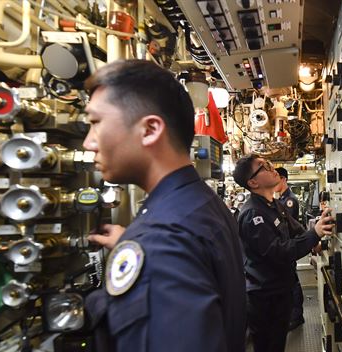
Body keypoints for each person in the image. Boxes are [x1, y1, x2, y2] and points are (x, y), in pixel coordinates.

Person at [82, 60, 246, 352]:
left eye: (95, 123)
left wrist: (145, 247)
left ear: (150, 130)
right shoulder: (202, 204)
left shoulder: (160, 240)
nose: (88, 142)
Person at [233, 155, 334, 352]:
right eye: (264, 167)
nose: (273, 169)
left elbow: (295, 228)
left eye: (269, 164)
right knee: (269, 346)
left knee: (279, 342)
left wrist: (315, 242)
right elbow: (279, 252)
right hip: (264, 297)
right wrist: (314, 234)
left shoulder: (273, 204)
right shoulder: (253, 214)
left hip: (280, 289)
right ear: (253, 182)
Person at [274, 167, 305, 330]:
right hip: (286, 246)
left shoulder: (289, 200)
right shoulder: (281, 199)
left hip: (289, 245)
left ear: (283, 179)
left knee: (293, 281)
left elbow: (288, 225)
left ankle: (297, 315)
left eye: (276, 179)